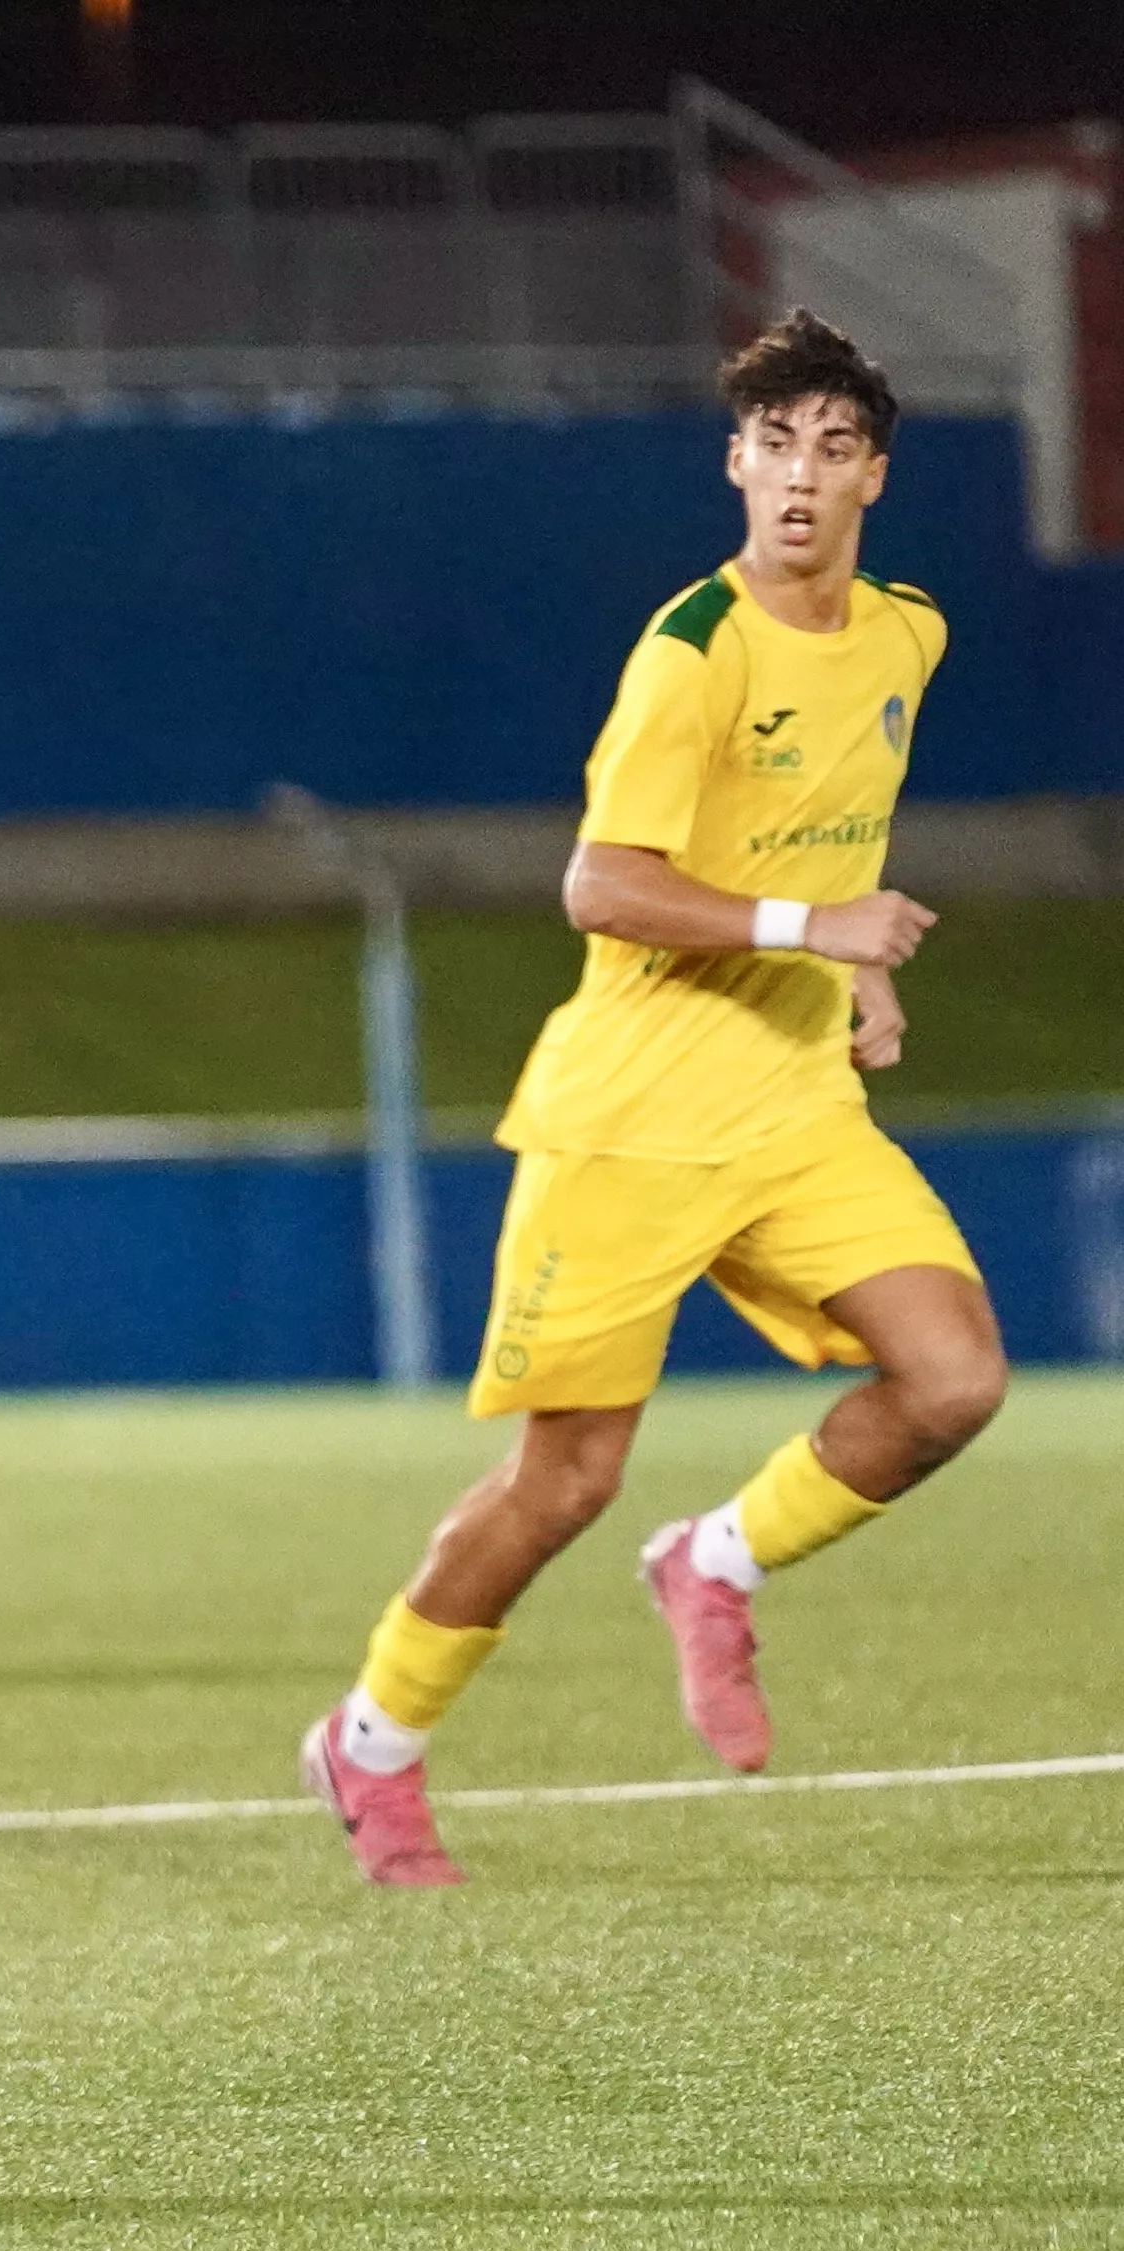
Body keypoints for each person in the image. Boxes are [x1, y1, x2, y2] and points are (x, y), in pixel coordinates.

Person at [301, 310, 1006, 1886]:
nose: (799, 478)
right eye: (771, 447)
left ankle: (715, 1562)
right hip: (627, 1118)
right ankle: (369, 1744)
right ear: (733, 466)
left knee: (951, 1383)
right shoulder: (689, 652)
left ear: (874, 476)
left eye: (832, 448)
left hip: (792, 1106)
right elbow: (598, 884)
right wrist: (810, 932)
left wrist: (850, 964)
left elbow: (815, 825)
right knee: (562, 1478)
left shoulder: (906, 634)